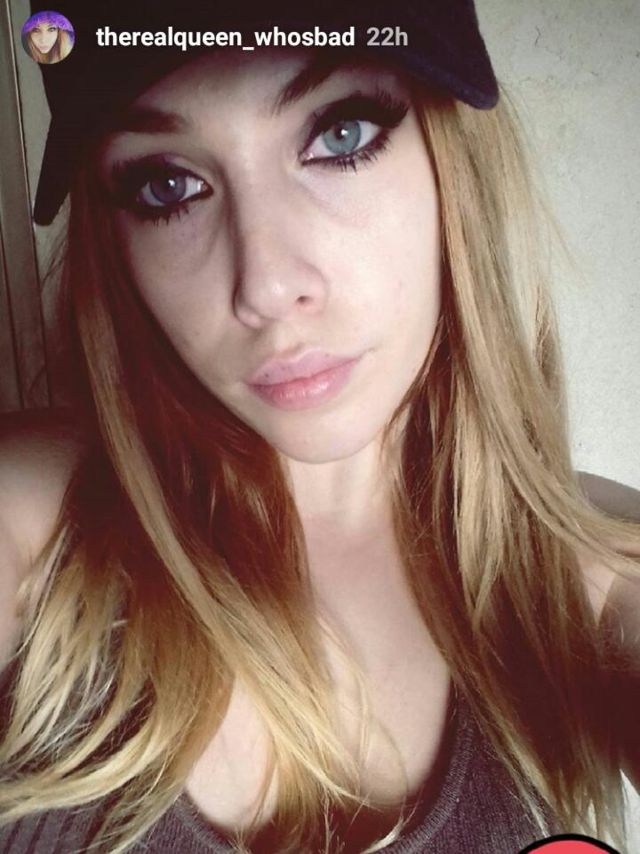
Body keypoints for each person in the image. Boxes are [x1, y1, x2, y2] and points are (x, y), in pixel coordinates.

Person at [1, 1, 639, 852]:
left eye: (341, 135)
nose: (265, 286)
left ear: (451, 156)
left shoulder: (586, 573)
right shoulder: (35, 529)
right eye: (166, 185)